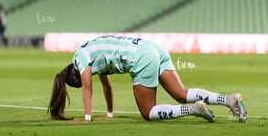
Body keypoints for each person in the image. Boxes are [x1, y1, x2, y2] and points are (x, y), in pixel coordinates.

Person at [47, 35, 247, 123]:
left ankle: (194, 109)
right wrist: (109, 113)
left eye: (80, 79)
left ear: (74, 73)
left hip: (140, 58)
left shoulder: (79, 59)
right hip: (151, 47)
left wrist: (87, 118)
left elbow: (87, 88)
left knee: (148, 112)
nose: (84, 78)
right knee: (181, 93)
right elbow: (106, 85)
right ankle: (228, 100)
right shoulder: (91, 52)